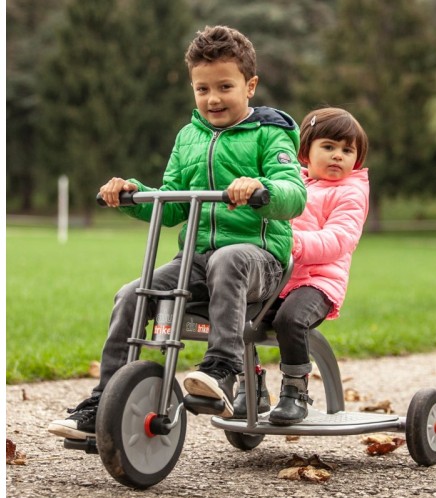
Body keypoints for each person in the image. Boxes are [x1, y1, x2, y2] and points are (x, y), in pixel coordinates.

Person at [48, 25, 306, 439]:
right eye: (202, 89)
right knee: (132, 293)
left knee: (229, 258)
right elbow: (170, 205)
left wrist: (262, 189)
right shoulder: (188, 137)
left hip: (260, 264)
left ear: (250, 86)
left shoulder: (270, 133)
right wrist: (133, 193)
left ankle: (222, 370)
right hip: (198, 263)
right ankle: (104, 401)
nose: (213, 98)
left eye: (225, 86)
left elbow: (294, 194)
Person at [264, 107, 369, 425]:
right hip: (282, 278)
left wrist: (293, 245)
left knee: (291, 320)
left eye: (347, 150)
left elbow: (339, 238)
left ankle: (295, 392)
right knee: (241, 317)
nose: (338, 156)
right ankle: (250, 386)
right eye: (329, 147)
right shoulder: (292, 184)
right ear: (305, 151)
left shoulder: (350, 192)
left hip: (319, 282)